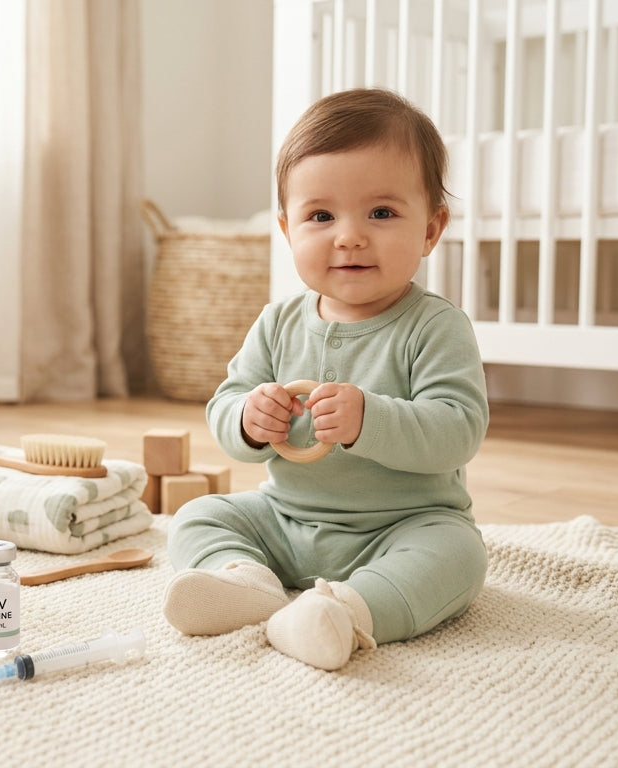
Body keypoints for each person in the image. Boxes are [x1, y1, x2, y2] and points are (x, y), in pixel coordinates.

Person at [162, 88, 490, 671]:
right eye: (321, 216)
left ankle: (347, 613)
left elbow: (458, 429)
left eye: (382, 213)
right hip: (286, 519)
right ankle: (247, 583)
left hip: (403, 525)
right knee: (198, 516)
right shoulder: (278, 321)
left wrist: (373, 418)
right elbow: (226, 405)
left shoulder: (436, 326)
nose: (349, 236)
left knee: (459, 555)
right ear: (289, 230)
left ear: (431, 230)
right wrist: (249, 418)